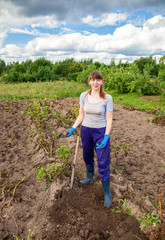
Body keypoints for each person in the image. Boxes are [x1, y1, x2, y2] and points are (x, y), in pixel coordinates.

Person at [63, 70, 113, 208]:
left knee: (103, 161)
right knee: (87, 155)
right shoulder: (84, 95)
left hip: (100, 131)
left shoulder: (107, 98)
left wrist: (106, 135)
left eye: (98, 80)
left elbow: (109, 119)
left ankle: (107, 192)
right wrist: (72, 128)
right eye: (93, 80)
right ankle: (89, 177)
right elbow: (81, 115)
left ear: (102, 82)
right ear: (89, 81)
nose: (95, 82)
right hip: (86, 130)